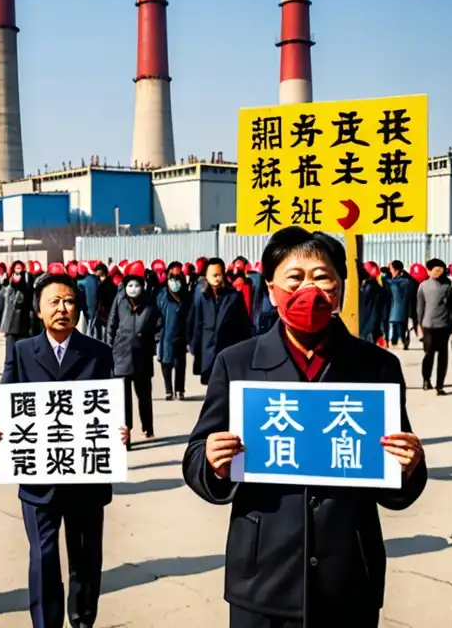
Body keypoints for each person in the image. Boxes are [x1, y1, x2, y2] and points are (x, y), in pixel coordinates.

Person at [182, 226, 427, 628]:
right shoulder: (238, 364)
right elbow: (195, 458)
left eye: (322, 277)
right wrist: (211, 462)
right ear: (271, 288)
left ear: (341, 287)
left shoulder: (377, 366)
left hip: (348, 575)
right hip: (262, 577)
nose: (309, 290)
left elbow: (396, 485)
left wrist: (410, 465)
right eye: (295, 278)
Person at [0, 271, 129, 628]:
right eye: (54, 302)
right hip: (39, 479)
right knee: (43, 556)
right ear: (38, 310)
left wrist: (120, 431)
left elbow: (111, 406)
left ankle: (83, 621)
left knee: (85, 558)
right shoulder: (22, 352)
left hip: (85, 475)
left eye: (69, 301)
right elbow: (10, 402)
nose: (63, 309)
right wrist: (2, 432)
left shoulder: (98, 353)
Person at [107, 261, 161, 441]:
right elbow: (111, 324)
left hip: (142, 355)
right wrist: (109, 347)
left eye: (137, 285)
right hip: (121, 354)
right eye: (130, 284)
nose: (133, 288)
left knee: (144, 395)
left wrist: (153, 340)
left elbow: (159, 324)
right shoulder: (120, 300)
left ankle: (148, 427)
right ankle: (126, 433)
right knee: (123, 399)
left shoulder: (150, 303)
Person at [188, 257, 253, 385]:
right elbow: (194, 322)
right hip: (207, 351)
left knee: (225, 386)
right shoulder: (201, 296)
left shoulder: (233, 297)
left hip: (227, 350)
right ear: (206, 275)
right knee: (212, 388)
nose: (217, 278)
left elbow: (243, 326)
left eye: (219, 274)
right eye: (213, 275)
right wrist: (194, 345)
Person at [416, 258, 452, 394]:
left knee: (442, 356)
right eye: (435, 269)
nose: (438, 271)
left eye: (440, 269)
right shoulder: (423, 286)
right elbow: (420, 307)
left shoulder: (448, 286)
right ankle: (426, 380)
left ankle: (439, 385)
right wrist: (419, 324)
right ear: (428, 270)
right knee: (429, 354)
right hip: (428, 325)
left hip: (444, 326)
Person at [156, 263, 190, 401]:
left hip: (181, 335)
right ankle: (168, 390)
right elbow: (156, 313)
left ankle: (180, 390)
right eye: (172, 277)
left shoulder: (186, 296)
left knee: (180, 364)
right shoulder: (163, 295)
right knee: (166, 363)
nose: (175, 281)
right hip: (166, 335)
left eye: (178, 277)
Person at [0, 262, 36, 362]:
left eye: (20, 273)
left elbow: (22, 301)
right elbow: (3, 305)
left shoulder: (26, 287)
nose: (17, 277)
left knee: (22, 356)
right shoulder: (8, 287)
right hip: (10, 325)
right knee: (10, 357)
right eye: (15, 274)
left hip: (22, 324)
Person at [385, 260, 413, 349]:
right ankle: (398, 341)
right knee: (398, 327)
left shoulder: (401, 282)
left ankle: (401, 341)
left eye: (391, 267)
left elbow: (392, 285)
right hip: (396, 310)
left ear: (396, 269)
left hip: (398, 310)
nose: (390, 269)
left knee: (399, 328)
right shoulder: (405, 281)